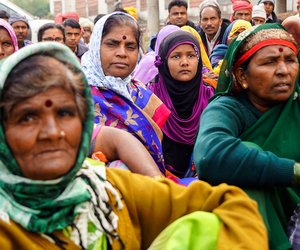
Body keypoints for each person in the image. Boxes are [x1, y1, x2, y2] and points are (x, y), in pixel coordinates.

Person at [0, 41, 268, 250]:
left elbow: (230, 203)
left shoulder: (106, 187)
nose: (52, 132)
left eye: (65, 113)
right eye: (28, 117)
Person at [193, 23, 300, 249]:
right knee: (249, 153)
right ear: (242, 76)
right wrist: (294, 172)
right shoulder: (226, 109)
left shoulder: (296, 104)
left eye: (290, 60)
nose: (284, 70)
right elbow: (210, 155)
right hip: (248, 227)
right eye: (270, 62)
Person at [81, 12, 171, 175]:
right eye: (112, 44)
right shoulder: (77, 94)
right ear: (96, 46)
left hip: (151, 188)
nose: (122, 53)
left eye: (130, 46)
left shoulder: (143, 94)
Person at [149, 30, 214, 178]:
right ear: (164, 61)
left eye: (191, 56)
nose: (184, 62)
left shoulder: (211, 95)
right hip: (159, 181)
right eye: (176, 56)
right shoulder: (149, 98)